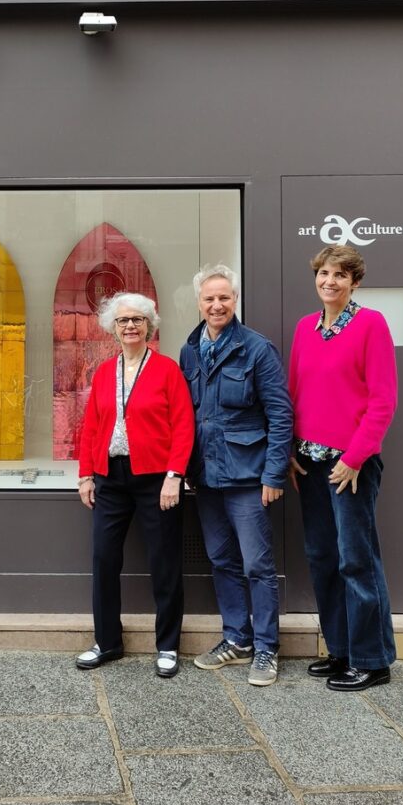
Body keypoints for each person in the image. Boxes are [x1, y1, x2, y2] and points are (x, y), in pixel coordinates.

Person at [289, 246, 397, 691]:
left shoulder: (371, 324)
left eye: (339, 274)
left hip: (350, 465)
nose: (329, 281)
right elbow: (294, 392)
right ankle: (341, 650)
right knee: (323, 558)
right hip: (310, 462)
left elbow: (383, 400)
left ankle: (372, 660)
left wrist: (354, 458)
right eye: (323, 273)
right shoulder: (305, 327)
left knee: (356, 559)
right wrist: (290, 450)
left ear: (355, 282)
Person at [180, 265, 293, 687]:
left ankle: (266, 648)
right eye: (209, 298)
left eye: (224, 297)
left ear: (235, 300)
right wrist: (185, 467)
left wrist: (274, 474)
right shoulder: (190, 350)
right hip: (206, 477)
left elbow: (280, 414)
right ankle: (236, 638)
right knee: (221, 560)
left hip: (248, 476)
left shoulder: (257, 348)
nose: (217, 305)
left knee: (257, 565)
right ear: (199, 302)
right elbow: (186, 415)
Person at [76, 293, 194, 678]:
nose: (130, 326)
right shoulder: (103, 372)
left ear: (149, 326)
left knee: (164, 561)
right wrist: (86, 474)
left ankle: (167, 645)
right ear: (113, 328)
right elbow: (91, 426)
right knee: (104, 559)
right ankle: (107, 641)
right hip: (110, 478)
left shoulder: (166, 370)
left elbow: (184, 426)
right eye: (123, 320)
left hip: (156, 479)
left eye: (137, 320)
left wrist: (174, 475)